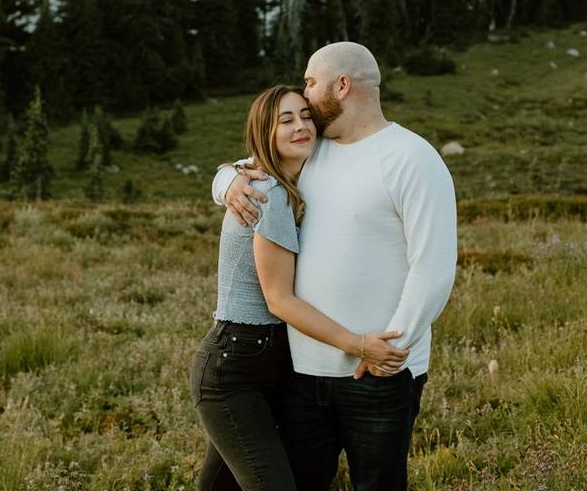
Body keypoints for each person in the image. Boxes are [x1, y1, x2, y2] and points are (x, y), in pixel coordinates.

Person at [212, 42, 457, 490]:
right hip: (302, 373)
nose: (305, 95)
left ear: (341, 85)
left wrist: (388, 353)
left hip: (379, 373)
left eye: (310, 81)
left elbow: (434, 266)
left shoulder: (411, 158)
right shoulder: (314, 149)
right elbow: (245, 167)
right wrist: (226, 182)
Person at [189, 85, 410, 491]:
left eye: (306, 116)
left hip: (273, 365)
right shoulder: (268, 193)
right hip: (235, 366)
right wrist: (357, 343)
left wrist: (225, 178)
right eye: (285, 120)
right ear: (266, 134)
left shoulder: (299, 178)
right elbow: (279, 299)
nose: (301, 126)